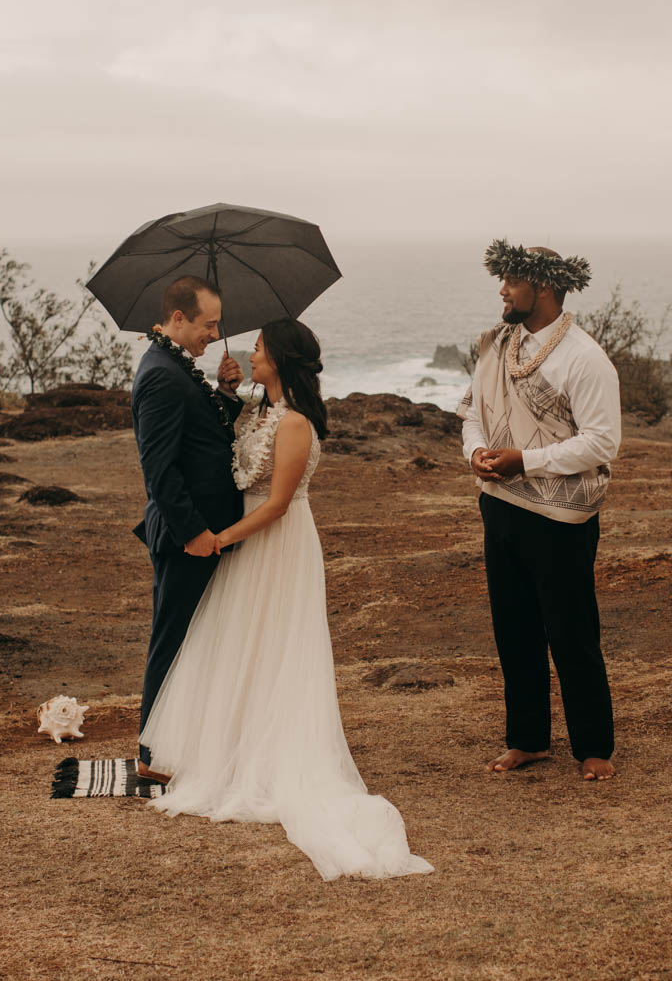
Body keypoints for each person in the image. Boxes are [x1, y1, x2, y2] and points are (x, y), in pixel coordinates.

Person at [140, 319, 433, 880]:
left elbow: (276, 504)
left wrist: (219, 539)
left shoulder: (295, 423)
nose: (250, 354)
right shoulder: (259, 410)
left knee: (276, 644)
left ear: (280, 360)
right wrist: (227, 393)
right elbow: (233, 447)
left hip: (275, 542)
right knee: (238, 644)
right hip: (250, 541)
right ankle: (234, 746)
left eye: (258, 349)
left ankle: (272, 756)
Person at [459, 240, 621, 782]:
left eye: (510, 281)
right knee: (514, 627)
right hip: (499, 505)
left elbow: (602, 444)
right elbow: (470, 414)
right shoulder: (495, 347)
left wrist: (524, 461)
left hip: (562, 518)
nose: (501, 290)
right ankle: (527, 739)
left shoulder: (584, 358)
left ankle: (594, 746)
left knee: (571, 630)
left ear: (544, 288)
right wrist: (476, 453)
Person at [130, 275, 244, 782]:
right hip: (185, 538)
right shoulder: (160, 374)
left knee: (192, 638)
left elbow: (202, 438)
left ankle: (178, 741)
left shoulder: (177, 366)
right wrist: (194, 531)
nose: (214, 334)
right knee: (172, 638)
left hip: (201, 534)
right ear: (178, 319)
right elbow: (159, 470)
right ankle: (152, 755)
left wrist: (224, 392)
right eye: (208, 324)